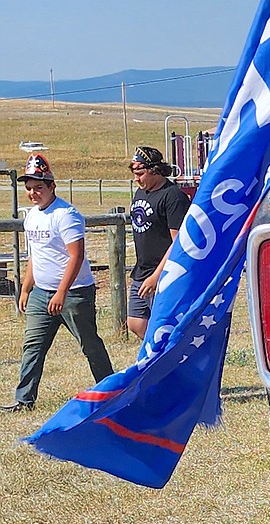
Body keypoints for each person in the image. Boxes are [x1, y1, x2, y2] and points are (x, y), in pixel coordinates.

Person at [4, 154, 114, 413]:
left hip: (74, 294)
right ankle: (24, 399)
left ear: (52, 186)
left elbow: (76, 256)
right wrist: (26, 287)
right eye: (29, 188)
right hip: (41, 294)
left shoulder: (66, 214)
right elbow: (35, 255)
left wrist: (62, 292)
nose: (33, 193)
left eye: (39, 187)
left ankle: (110, 392)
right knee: (33, 345)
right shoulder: (31, 216)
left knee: (90, 345)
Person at [127, 145, 191, 340]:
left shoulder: (173, 196)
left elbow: (178, 242)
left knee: (162, 327)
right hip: (141, 271)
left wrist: (157, 277)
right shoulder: (141, 192)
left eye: (140, 173)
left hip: (163, 273)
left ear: (154, 170)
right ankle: (156, 359)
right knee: (136, 322)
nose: (136, 178)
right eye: (134, 173)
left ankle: (168, 362)